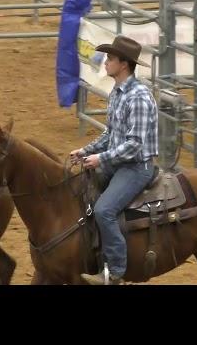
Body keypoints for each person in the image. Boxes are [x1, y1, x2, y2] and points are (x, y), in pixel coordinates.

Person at [70, 35, 158, 285]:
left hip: (136, 167)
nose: (105, 62)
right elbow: (111, 134)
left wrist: (100, 159)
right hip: (117, 163)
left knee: (104, 210)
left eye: (110, 58)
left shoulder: (138, 97)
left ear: (124, 64)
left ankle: (116, 272)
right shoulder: (118, 93)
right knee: (81, 192)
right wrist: (85, 151)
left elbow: (134, 145)